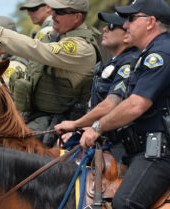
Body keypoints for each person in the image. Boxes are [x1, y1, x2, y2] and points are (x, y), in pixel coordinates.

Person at [79, 0, 170, 209]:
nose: (126, 24)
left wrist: (97, 127)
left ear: (150, 22)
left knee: (127, 202)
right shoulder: (147, 56)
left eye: (131, 19)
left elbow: (135, 106)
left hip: (162, 155)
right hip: (142, 152)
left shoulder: (161, 56)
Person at [0, 0, 101, 146]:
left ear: (77, 17)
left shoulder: (79, 47)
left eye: (59, 12)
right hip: (39, 117)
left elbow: (34, 48)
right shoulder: (57, 35)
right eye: (53, 10)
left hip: (59, 124)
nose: (52, 15)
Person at [54, 11, 139, 148]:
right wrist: (82, 130)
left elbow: (111, 104)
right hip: (100, 135)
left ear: (127, 34)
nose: (104, 29)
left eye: (111, 26)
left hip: (120, 144)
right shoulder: (112, 63)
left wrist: (76, 125)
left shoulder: (129, 63)